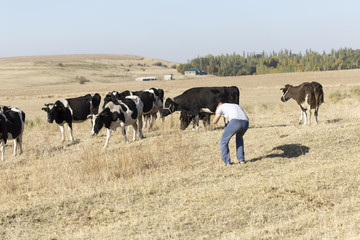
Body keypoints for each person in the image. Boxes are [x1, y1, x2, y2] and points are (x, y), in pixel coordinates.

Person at [213, 96, 249, 165]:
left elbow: (214, 121)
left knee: (223, 141)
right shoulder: (235, 105)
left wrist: (216, 111)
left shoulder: (221, 107)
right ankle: (241, 160)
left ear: (219, 103)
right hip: (246, 122)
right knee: (239, 139)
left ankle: (226, 162)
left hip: (235, 122)